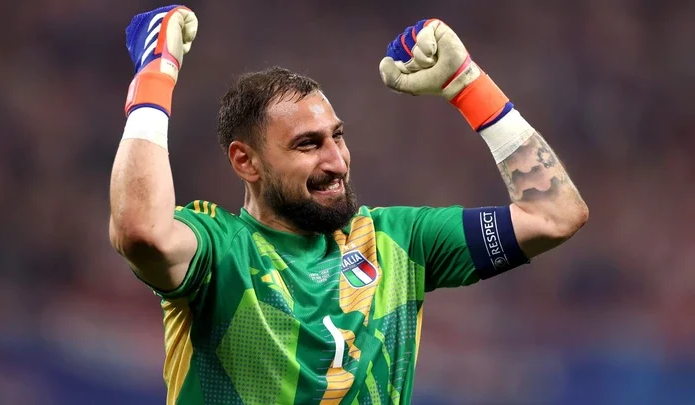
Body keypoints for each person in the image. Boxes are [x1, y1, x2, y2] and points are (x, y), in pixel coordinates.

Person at [109, 5, 589, 405]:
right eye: (308, 145)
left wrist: (468, 86)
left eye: (338, 137)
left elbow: (555, 215)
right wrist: (155, 75)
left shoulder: (397, 243)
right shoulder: (220, 251)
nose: (336, 161)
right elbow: (140, 230)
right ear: (246, 162)